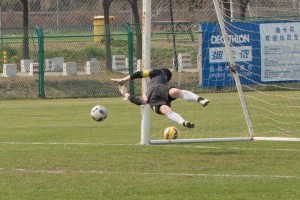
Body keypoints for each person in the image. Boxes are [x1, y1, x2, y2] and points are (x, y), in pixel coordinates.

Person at [111, 68, 209, 128]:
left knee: (167, 108)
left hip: (153, 96)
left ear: (163, 72)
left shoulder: (158, 73)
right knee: (174, 94)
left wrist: (124, 85)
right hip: (158, 92)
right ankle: (196, 104)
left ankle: (184, 119)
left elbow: (139, 74)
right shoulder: (161, 81)